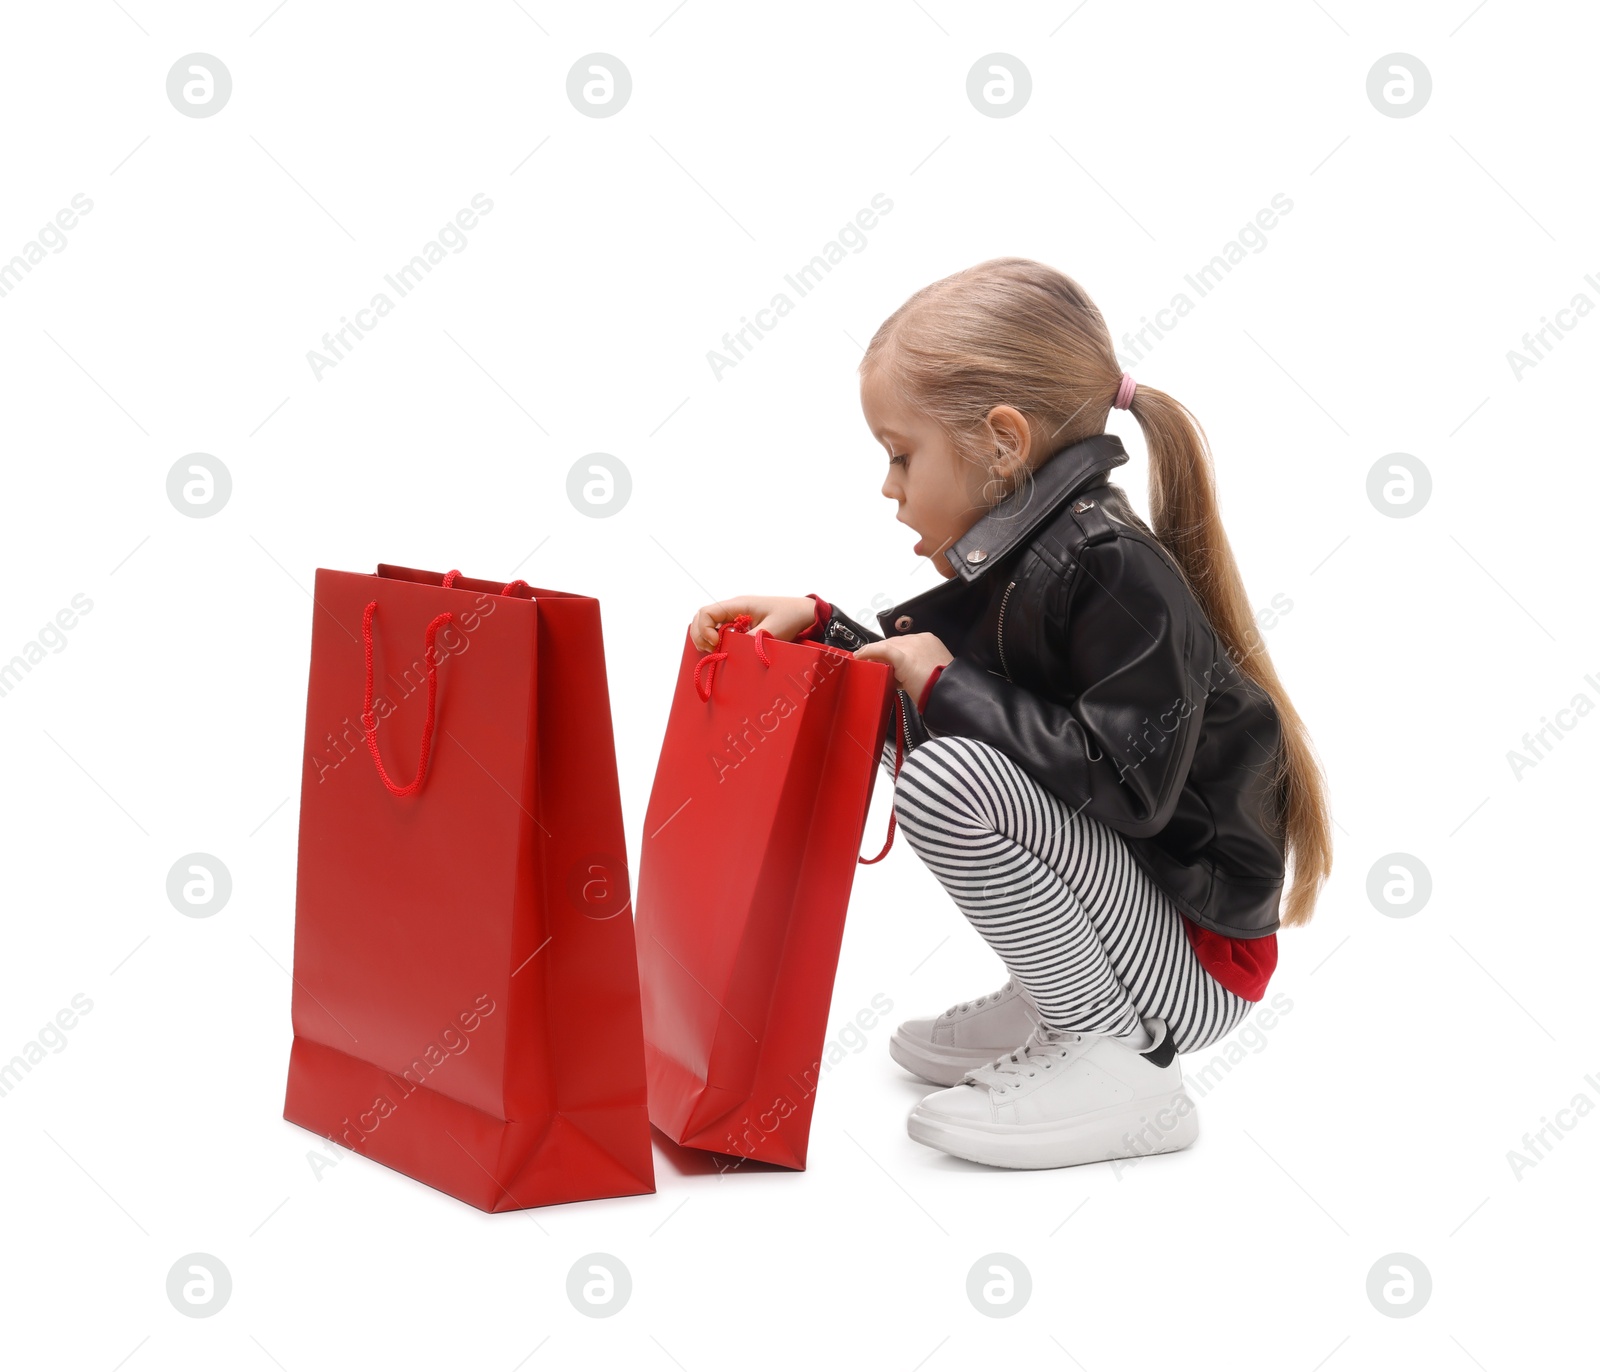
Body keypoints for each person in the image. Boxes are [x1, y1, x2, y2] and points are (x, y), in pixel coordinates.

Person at [689, 257, 1332, 1170]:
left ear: (1002, 440)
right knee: (955, 754)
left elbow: (1121, 786)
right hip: (1139, 917)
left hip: (1195, 964)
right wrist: (825, 637)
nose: (888, 485)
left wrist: (942, 680)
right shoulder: (1034, 558)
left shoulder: (1112, 567)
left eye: (901, 454)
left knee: (951, 778)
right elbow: (961, 710)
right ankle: (1055, 991)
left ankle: (1117, 1051)